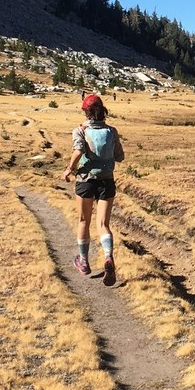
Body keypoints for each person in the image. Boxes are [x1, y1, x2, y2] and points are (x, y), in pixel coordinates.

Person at [61, 92, 125, 286]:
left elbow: (79, 151)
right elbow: (120, 156)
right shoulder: (112, 131)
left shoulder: (80, 130)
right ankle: (108, 256)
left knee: (83, 221)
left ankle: (83, 261)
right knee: (103, 224)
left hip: (86, 180)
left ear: (86, 112)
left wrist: (68, 169)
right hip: (107, 181)